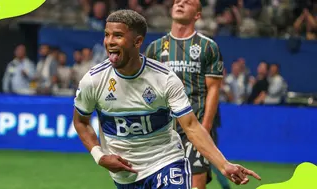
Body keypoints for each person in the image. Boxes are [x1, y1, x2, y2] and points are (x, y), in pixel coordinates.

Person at [73, 9, 260, 189]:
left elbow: (191, 126)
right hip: (126, 174)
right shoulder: (93, 80)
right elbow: (81, 121)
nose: (109, 42)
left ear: (137, 42)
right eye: (107, 35)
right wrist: (99, 156)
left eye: (118, 36)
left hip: (166, 161)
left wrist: (223, 164)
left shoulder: (164, 78)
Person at [145, 1, 229, 188]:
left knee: (196, 183)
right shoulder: (155, 48)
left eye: (187, 2)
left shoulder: (208, 47)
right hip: (165, 130)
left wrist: (205, 128)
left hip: (196, 124)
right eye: (176, 1)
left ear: (197, 15)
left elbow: (214, 89)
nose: (180, 3)